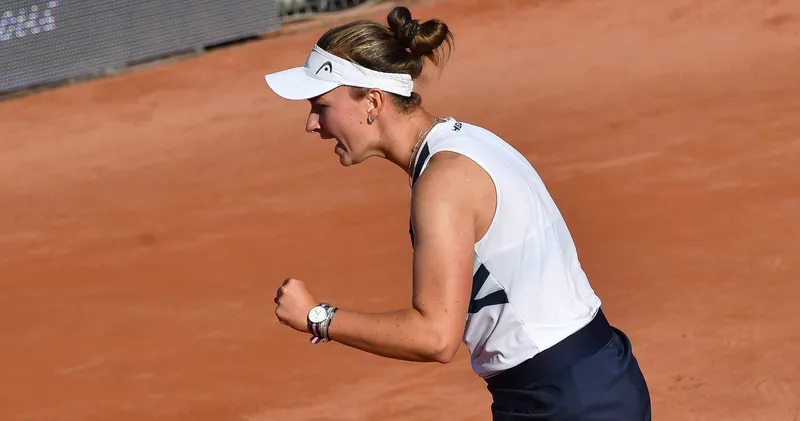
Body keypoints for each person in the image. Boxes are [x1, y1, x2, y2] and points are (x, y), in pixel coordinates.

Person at [265, 6, 651, 420]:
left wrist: (318, 318)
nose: (312, 124)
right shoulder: (467, 142)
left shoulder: (442, 182)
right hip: (593, 375)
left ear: (372, 102)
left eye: (321, 105)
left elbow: (435, 337)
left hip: (564, 400)